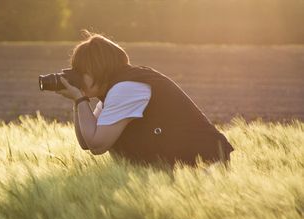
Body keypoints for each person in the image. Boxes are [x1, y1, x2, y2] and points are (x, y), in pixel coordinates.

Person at [55, 30, 234, 167]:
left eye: (81, 72)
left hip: (207, 166)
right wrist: (77, 100)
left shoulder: (126, 88)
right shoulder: (114, 90)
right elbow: (87, 142)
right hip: (188, 166)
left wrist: (80, 100)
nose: (77, 77)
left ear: (98, 69)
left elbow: (97, 144)